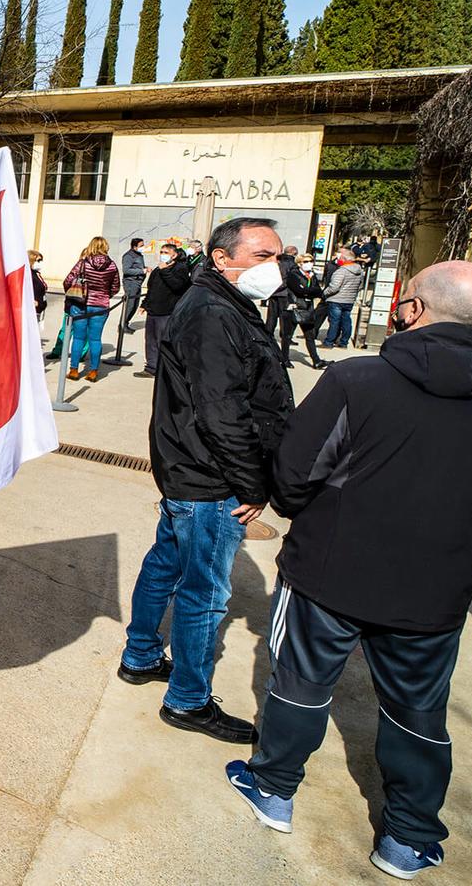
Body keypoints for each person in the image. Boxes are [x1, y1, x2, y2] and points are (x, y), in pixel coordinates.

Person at [227, 261, 472, 880]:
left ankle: (274, 789)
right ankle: (407, 836)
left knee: (300, 681)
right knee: (417, 708)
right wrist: (457, 528)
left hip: (329, 572)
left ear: (411, 309)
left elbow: (295, 473)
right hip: (434, 586)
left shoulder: (357, 380)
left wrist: (327, 513)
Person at [120, 216, 291, 744]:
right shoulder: (215, 312)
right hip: (209, 477)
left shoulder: (223, 304)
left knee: (166, 565)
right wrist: (252, 484)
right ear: (223, 258)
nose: (276, 266)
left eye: (278, 255)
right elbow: (222, 411)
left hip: (189, 469)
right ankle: (189, 700)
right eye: (263, 255)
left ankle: (142, 654)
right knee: (204, 592)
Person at [62, 237, 120, 383]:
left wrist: (72, 292)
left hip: (80, 304)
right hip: (100, 306)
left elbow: (68, 280)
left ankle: (74, 370)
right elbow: (115, 287)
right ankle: (93, 371)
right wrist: (104, 295)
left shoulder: (83, 263)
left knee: (79, 338)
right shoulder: (112, 265)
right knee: (95, 339)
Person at [264, 246, 328, 370]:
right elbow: (298, 290)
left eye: (311, 261)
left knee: (310, 335)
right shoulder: (293, 274)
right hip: (293, 307)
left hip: (307, 308)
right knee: (287, 335)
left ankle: (316, 360)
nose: (309, 264)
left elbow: (318, 292)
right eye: (306, 262)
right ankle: (285, 359)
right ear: (299, 263)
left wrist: (307, 291)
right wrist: (308, 291)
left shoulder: (312, 276)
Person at [135, 242, 192, 378]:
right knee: (151, 341)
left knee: (165, 342)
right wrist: (144, 304)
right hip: (153, 310)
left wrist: (165, 270)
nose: (163, 255)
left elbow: (178, 286)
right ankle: (151, 367)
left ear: (174, 254)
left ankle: (166, 369)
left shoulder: (180, 269)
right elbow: (151, 289)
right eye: (162, 252)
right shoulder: (157, 269)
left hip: (167, 312)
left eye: (166, 252)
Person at [318, 247, 365, 350]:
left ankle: (329, 342)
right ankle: (344, 343)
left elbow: (334, 287)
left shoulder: (341, 271)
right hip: (349, 299)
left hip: (336, 299)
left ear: (344, 259)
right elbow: (360, 285)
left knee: (334, 321)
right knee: (346, 321)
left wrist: (324, 293)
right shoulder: (359, 271)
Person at [120, 237, 147, 335]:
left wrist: (145, 269)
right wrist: (141, 271)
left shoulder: (139, 255)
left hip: (138, 283)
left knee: (135, 305)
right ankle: (122, 325)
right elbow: (126, 270)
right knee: (130, 305)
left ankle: (126, 323)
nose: (143, 247)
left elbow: (139, 266)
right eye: (141, 245)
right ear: (134, 246)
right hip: (131, 283)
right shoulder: (128, 256)